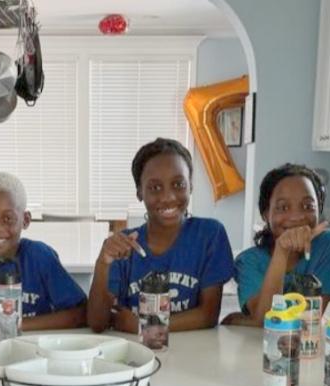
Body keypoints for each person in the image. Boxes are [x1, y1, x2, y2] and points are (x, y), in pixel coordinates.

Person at [87, 138, 234, 333]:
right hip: (136, 356)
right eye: (155, 187)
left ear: (191, 185)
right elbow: (97, 322)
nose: (168, 197)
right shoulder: (124, 245)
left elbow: (208, 315)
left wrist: (145, 326)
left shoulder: (209, 235)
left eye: (178, 184)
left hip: (195, 354)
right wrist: (103, 262)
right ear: (140, 192)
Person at [0, 172, 86, 332]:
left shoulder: (40, 256)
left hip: (33, 348)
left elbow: (81, 314)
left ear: (25, 220)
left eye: (8, 219)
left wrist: (14, 323)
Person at [227, 163, 330, 326]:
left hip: (306, 348)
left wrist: (243, 321)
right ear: (265, 215)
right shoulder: (248, 261)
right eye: (283, 207)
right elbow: (266, 320)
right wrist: (281, 251)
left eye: (308, 206)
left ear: (319, 210)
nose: (297, 217)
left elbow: (307, 319)